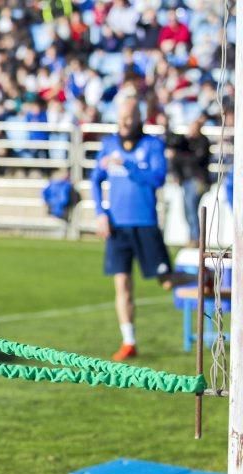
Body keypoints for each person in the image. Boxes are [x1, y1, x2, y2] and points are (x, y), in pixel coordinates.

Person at [91, 96, 194, 362]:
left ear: (139, 118)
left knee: (166, 281)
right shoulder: (109, 144)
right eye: (121, 117)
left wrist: (127, 165)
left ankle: (203, 278)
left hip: (145, 223)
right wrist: (101, 214)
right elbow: (96, 179)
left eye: (130, 117)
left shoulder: (152, 145)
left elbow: (157, 179)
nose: (125, 122)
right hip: (117, 227)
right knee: (122, 284)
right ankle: (129, 341)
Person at [166, 114, 211, 246]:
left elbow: (196, 160)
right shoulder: (186, 142)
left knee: (191, 209)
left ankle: (196, 239)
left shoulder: (203, 142)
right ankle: (193, 237)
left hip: (198, 180)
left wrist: (178, 155)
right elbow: (172, 142)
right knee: (187, 210)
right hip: (187, 181)